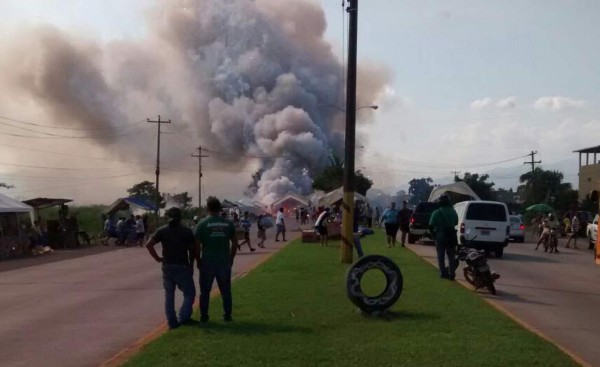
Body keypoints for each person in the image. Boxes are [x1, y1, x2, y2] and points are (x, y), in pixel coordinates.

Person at [145, 207, 198, 330]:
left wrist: (158, 258)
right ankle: (184, 317)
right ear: (180, 217)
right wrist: (191, 264)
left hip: (167, 265)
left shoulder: (162, 230)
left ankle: (172, 322)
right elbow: (192, 250)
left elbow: (148, 244)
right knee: (189, 293)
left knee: (169, 295)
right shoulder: (186, 231)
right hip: (182, 265)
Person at [194, 197, 238, 323]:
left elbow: (196, 246)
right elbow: (235, 243)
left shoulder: (202, 224)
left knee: (205, 292)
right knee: (226, 291)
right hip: (224, 262)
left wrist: (198, 260)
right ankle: (227, 316)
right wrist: (231, 258)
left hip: (207, 262)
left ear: (207, 208)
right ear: (220, 209)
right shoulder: (228, 224)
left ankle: (204, 316)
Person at [429, 195, 459, 280]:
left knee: (441, 256)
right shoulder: (453, 211)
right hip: (451, 236)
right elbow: (456, 222)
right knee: (451, 257)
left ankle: (443, 273)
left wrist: (433, 235)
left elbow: (431, 226)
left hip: (440, 236)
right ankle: (452, 274)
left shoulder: (436, 213)